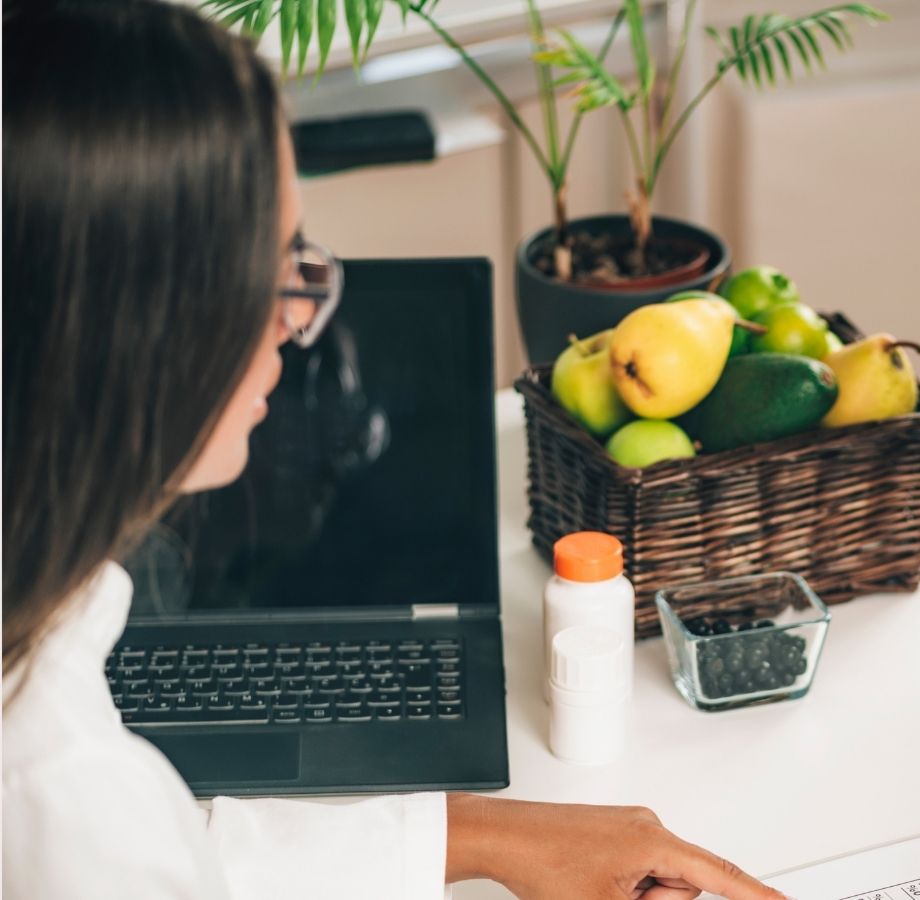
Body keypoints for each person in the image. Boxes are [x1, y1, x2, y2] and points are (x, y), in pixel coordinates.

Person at [0, 3, 784, 899]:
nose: (300, 322)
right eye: (276, 265)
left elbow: (178, 850)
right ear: (135, 322)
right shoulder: (54, 790)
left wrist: (484, 831)